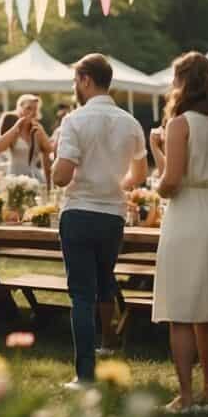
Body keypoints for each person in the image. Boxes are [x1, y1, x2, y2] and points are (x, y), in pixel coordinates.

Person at [50, 54, 148, 390]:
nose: (75, 87)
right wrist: (113, 183)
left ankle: (85, 375)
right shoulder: (130, 122)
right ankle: (107, 343)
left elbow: (62, 176)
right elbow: (140, 174)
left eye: (76, 81)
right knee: (105, 279)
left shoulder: (74, 120)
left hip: (79, 211)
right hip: (113, 216)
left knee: (81, 294)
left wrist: (54, 167)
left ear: (86, 79)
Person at [148, 53, 208, 412]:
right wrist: (158, 149)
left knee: (182, 310)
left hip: (187, 214)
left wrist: (156, 186)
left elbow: (171, 182)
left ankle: (185, 396)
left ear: (182, 81)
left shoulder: (181, 123)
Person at [0, 94, 52, 179]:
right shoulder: (11, 123)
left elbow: (48, 150)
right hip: (14, 175)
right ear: (20, 107)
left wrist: (41, 132)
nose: (32, 112)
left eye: (35, 109)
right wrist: (16, 127)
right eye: (29, 108)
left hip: (34, 176)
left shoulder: (37, 128)